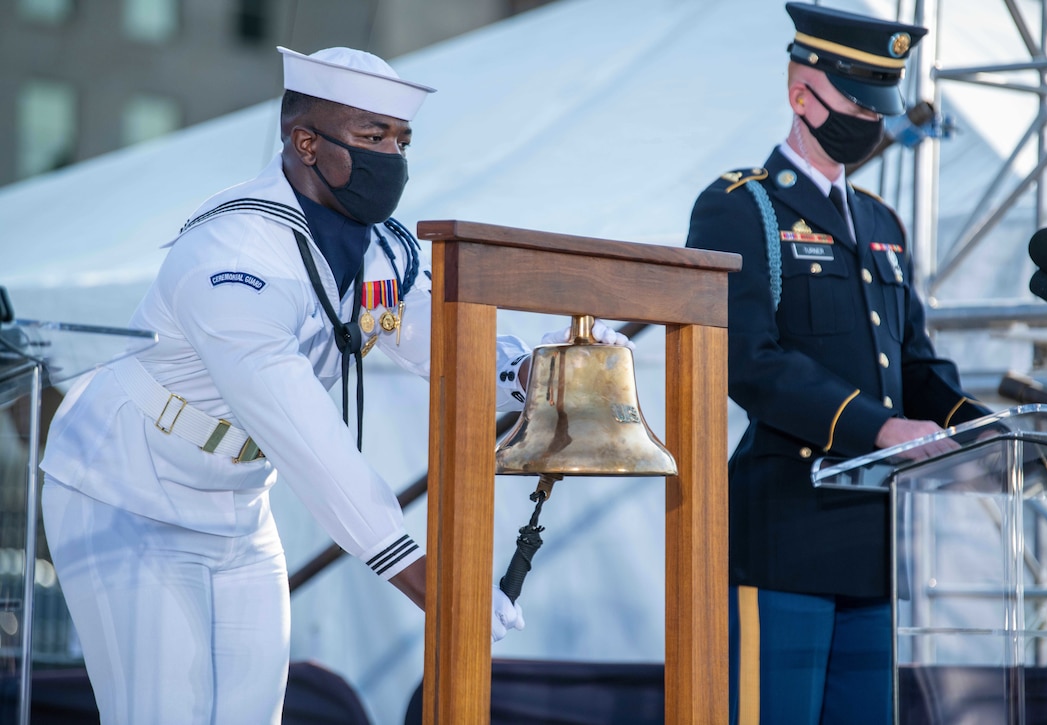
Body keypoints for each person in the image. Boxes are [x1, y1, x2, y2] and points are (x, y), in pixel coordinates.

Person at [38, 45, 628, 724]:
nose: (392, 157)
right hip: (127, 494)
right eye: (372, 137)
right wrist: (426, 576)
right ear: (306, 142)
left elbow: (445, 347)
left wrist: (547, 371)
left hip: (236, 505)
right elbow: (304, 433)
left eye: (401, 139)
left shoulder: (382, 248)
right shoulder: (233, 254)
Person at [685, 4, 990, 724]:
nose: (871, 121)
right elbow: (747, 360)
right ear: (802, 96)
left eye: (879, 105)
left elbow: (913, 362)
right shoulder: (743, 208)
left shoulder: (881, 223)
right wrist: (880, 428)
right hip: (785, 534)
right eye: (858, 102)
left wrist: (984, 429)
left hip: (873, 543)